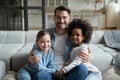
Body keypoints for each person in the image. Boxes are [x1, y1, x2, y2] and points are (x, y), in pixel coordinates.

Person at [22, 5, 100, 80]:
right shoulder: (46, 33)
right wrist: (30, 58)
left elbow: (83, 47)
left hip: (67, 71)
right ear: (54, 18)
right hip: (49, 71)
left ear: (69, 19)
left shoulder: (73, 35)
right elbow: (34, 50)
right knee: (41, 76)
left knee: (82, 69)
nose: (61, 20)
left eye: (64, 17)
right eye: (58, 17)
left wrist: (90, 58)